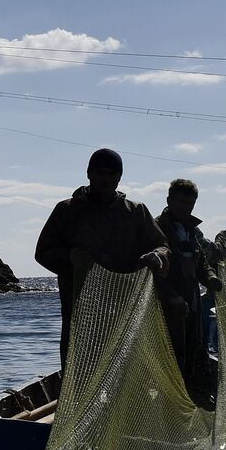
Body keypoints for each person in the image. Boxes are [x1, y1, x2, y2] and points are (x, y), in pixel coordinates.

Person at [34, 148, 169, 368]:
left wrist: (157, 255)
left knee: (128, 372)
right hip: (80, 312)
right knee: (78, 372)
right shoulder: (66, 210)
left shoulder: (136, 212)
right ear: (89, 174)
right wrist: (69, 256)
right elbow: (42, 252)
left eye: (111, 174)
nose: (105, 179)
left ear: (119, 178)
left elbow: (161, 245)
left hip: (126, 310)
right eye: (99, 173)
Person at [154, 180, 219, 402]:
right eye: (181, 202)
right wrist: (171, 297)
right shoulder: (156, 227)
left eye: (190, 204)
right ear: (169, 201)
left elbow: (200, 260)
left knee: (197, 345)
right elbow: (152, 271)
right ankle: (172, 400)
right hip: (166, 299)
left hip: (191, 295)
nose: (186, 208)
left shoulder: (190, 230)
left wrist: (210, 277)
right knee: (172, 350)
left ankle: (198, 395)